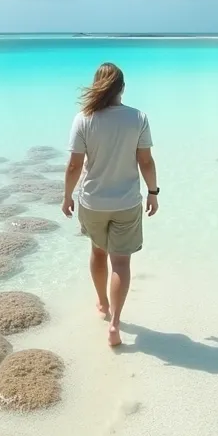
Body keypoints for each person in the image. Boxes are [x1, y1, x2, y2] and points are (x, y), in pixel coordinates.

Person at [62, 62, 158, 347]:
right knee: (121, 262)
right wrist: (153, 192)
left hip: (93, 202)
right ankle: (115, 325)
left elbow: (74, 166)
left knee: (98, 251)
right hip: (126, 202)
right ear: (123, 88)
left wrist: (67, 196)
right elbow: (146, 161)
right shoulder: (138, 118)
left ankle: (102, 304)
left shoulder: (83, 118)